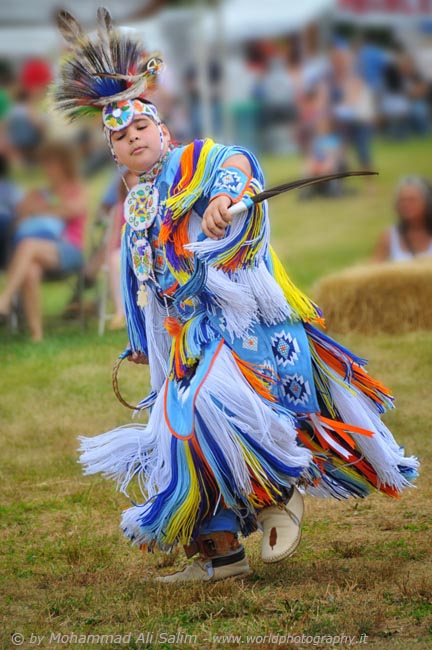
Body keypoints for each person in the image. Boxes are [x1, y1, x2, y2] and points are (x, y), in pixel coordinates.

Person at [53, 8, 418, 583]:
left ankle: (278, 495)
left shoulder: (193, 162)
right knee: (180, 437)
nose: (133, 139)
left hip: (235, 323)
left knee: (215, 412)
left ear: (162, 130)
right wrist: (139, 342)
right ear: (114, 154)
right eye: (120, 137)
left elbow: (237, 163)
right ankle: (221, 551)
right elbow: (138, 279)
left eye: (140, 128)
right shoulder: (136, 206)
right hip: (181, 340)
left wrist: (226, 201)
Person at [0, 141, 87, 340]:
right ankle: (36, 334)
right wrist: (43, 207)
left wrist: (40, 209)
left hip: (69, 251)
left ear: (64, 164)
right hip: (40, 253)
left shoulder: (76, 190)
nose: (47, 168)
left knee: (28, 245)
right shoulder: (37, 192)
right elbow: (20, 213)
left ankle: (5, 298)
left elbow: (72, 209)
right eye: (45, 163)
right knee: (31, 270)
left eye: (51, 163)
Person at [372, 176, 432, 263]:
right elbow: (373, 270)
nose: (406, 205)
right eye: (402, 200)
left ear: (427, 203)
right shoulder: (389, 237)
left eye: (412, 200)